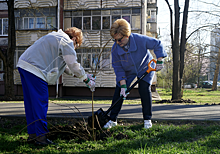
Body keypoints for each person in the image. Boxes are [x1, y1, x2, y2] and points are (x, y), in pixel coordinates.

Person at [17, 27, 96, 145]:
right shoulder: (67, 41)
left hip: (24, 66)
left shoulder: (56, 37)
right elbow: (73, 64)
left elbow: (66, 67)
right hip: (36, 70)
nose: (74, 48)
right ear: (74, 38)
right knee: (40, 104)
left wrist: (84, 75)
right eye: (76, 45)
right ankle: (41, 138)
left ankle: (33, 136)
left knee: (31, 104)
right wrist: (85, 79)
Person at [103, 19, 167, 129]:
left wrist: (160, 60)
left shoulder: (140, 39)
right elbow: (118, 68)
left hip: (145, 67)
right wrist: (123, 85)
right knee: (119, 92)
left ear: (127, 35)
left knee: (144, 89)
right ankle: (112, 119)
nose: (118, 42)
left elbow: (157, 44)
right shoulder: (115, 49)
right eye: (115, 40)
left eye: (120, 39)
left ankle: (147, 120)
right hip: (127, 71)